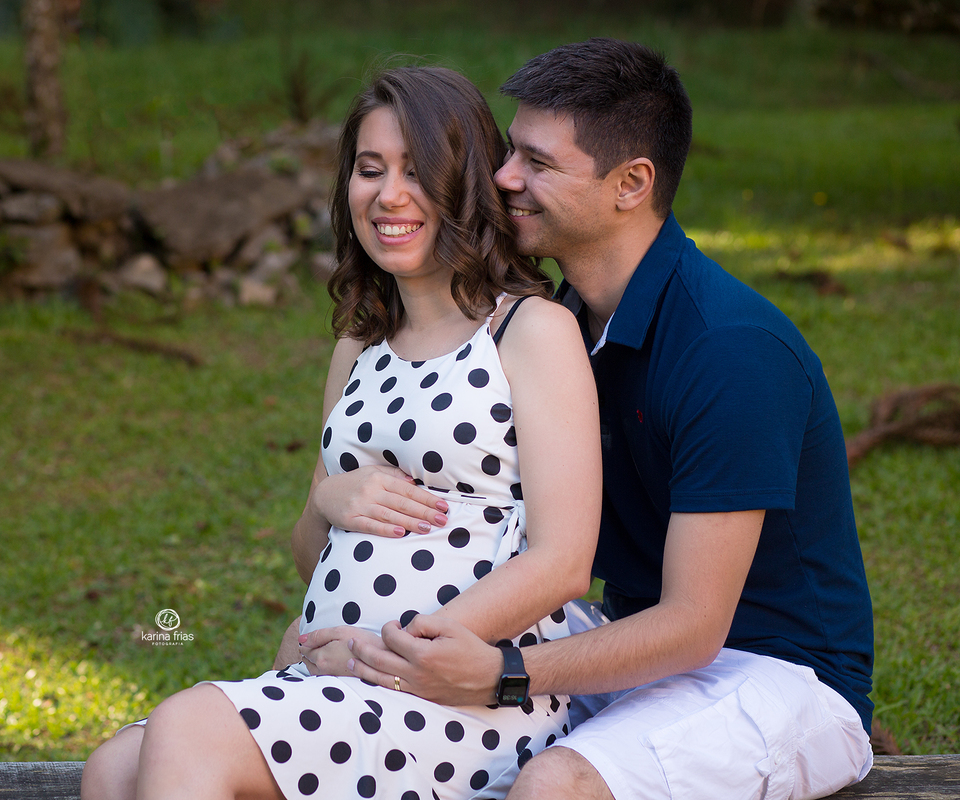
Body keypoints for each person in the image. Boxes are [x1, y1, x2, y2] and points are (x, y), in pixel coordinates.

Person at [302, 39, 876, 800]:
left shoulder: (728, 350)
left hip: (770, 670)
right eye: (510, 152)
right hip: (619, 639)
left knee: (553, 785)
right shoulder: (550, 324)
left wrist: (508, 671)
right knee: (348, 679)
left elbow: (696, 625)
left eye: (537, 163)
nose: (502, 178)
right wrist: (337, 495)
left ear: (631, 184)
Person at [80, 65, 602, 800]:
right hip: (342, 679)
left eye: (418, 171)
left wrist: (393, 652)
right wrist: (328, 498)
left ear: (470, 184)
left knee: (190, 728)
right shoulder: (359, 350)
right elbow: (307, 558)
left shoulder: (527, 331)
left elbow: (563, 562)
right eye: (369, 169)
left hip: (458, 699)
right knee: (112, 766)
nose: (388, 194)